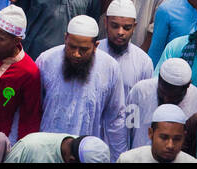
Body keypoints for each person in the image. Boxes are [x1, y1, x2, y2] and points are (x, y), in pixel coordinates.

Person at [34, 15, 128, 159]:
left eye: (84, 49)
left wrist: (119, 157)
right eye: (72, 47)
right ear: (65, 38)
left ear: (96, 46)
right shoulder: (46, 61)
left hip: (86, 153)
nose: (76, 54)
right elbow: (32, 109)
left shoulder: (110, 68)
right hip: (47, 151)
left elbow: (115, 118)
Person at [117, 103, 195, 163]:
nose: (170, 145)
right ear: (151, 133)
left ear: (184, 137)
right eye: (164, 137)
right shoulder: (128, 160)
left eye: (176, 139)